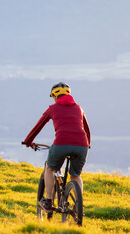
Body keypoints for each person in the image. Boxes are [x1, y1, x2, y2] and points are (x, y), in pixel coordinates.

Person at [23, 82, 91, 213]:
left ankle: (48, 201)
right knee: (75, 176)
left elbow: (38, 126)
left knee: (49, 168)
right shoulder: (79, 108)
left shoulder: (52, 108)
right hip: (82, 145)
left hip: (61, 144)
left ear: (54, 96)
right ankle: (79, 206)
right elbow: (87, 129)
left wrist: (28, 141)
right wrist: (87, 144)